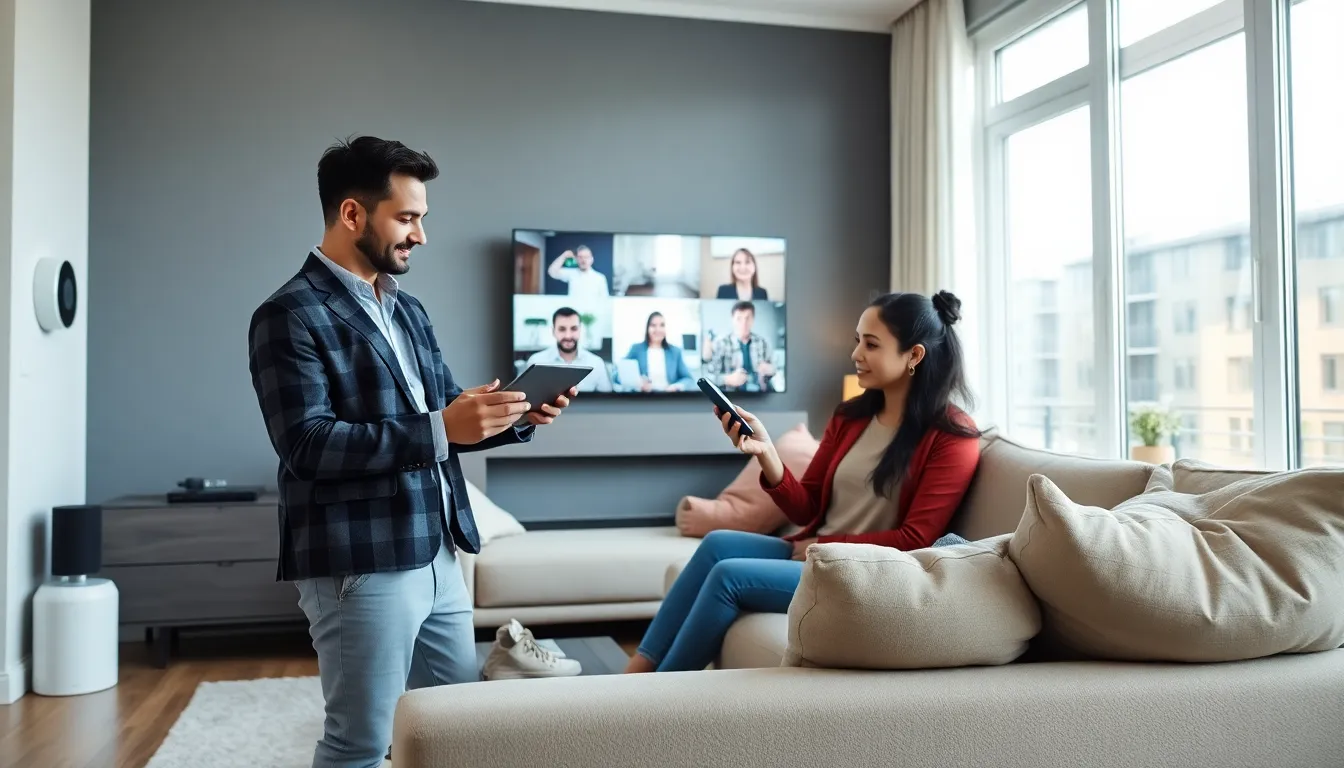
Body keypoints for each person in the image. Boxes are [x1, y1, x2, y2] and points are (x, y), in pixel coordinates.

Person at [247, 135, 575, 768]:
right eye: (407, 217)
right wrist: (443, 426)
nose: (420, 235)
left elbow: (449, 414)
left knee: (451, 731)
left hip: (436, 552)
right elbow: (307, 446)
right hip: (359, 562)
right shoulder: (287, 315)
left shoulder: (410, 311)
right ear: (351, 214)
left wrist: (516, 415)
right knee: (360, 744)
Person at [625, 290, 982, 674]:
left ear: (914, 355)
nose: (856, 354)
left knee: (729, 577)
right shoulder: (850, 417)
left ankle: (658, 697)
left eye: (871, 344)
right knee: (717, 545)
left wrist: (823, 546)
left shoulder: (953, 436)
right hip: (817, 553)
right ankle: (636, 675)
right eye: (857, 340)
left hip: (867, 575)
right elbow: (807, 506)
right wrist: (766, 453)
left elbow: (917, 538)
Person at [525, 306, 613, 392]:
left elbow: (608, 403)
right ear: (553, 331)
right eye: (562, 329)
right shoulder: (536, 362)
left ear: (580, 330)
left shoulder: (596, 363)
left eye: (573, 329)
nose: (568, 335)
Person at [704, 301, 775, 391]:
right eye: (739, 318)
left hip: (760, 396)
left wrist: (771, 369)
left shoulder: (763, 343)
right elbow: (708, 378)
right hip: (731, 398)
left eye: (747, 318)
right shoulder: (720, 343)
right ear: (732, 319)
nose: (743, 323)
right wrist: (727, 379)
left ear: (753, 320)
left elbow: (774, 370)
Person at [622, 311, 695, 392]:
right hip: (644, 398)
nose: (658, 329)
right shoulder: (636, 349)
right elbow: (618, 374)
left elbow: (688, 379)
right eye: (653, 325)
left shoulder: (675, 352)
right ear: (647, 328)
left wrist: (676, 387)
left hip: (669, 398)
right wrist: (637, 383)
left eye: (662, 325)